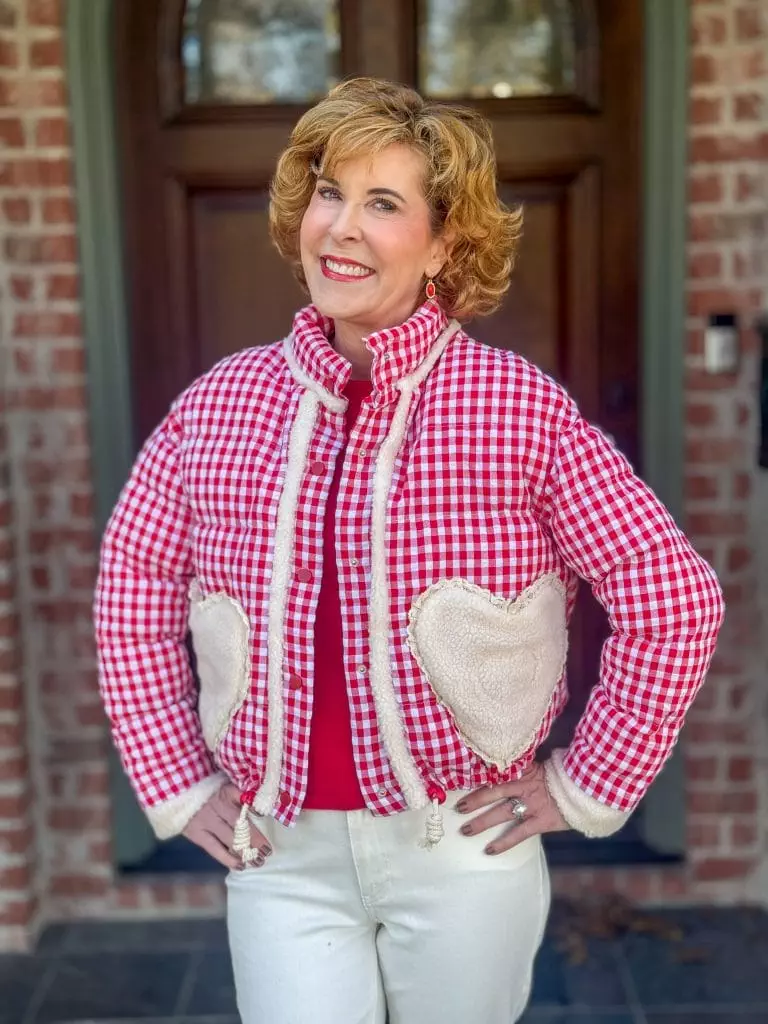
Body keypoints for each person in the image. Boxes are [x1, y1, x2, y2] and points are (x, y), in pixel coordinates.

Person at [95, 78, 724, 1024]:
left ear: (443, 243)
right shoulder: (219, 405)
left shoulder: (515, 408)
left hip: (462, 845)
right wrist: (177, 779)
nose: (341, 226)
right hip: (279, 851)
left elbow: (670, 594)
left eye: (384, 203)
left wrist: (585, 782)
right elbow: (133, 583)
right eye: (329, 193)